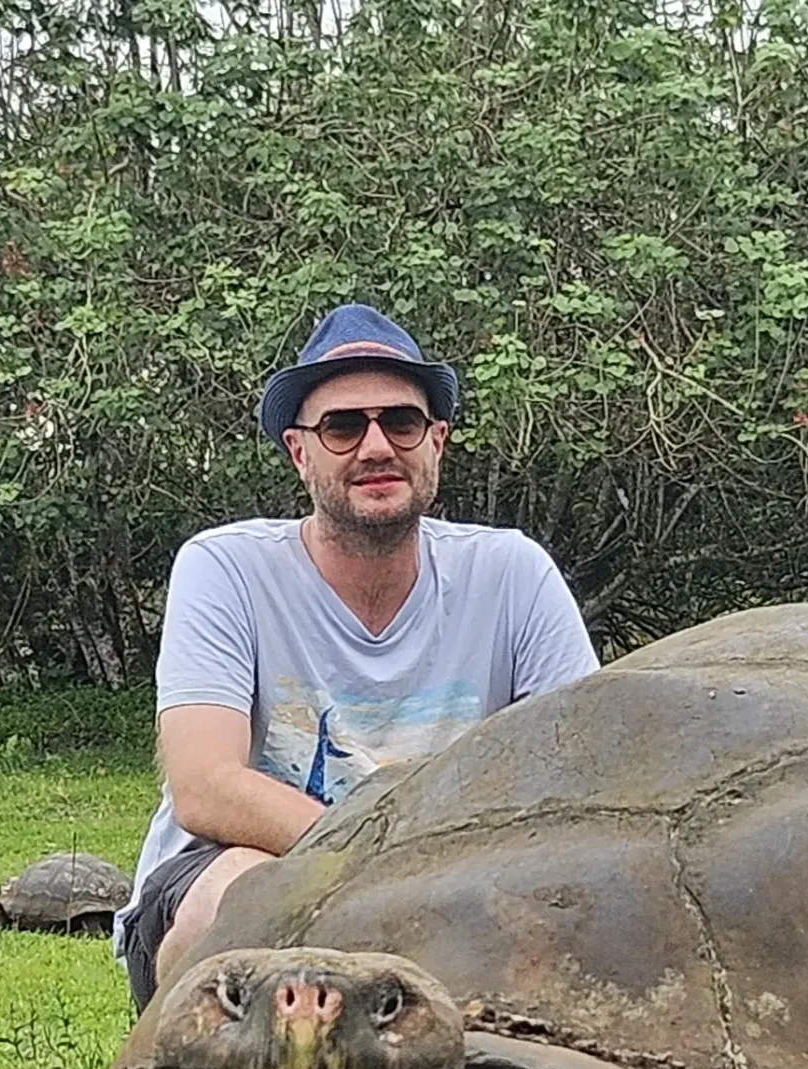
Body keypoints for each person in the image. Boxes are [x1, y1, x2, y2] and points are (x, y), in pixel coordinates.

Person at [114, 304, 599, 1010]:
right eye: (342, 426)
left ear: (436, 441)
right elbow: (205, 786)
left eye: (399, 422)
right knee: (244, 894)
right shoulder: (227, 569)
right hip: (244, 869)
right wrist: (386, 862)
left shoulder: (512, 574)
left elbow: (578, 778)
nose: (375, 447)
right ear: (298, 451)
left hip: (453, 887)